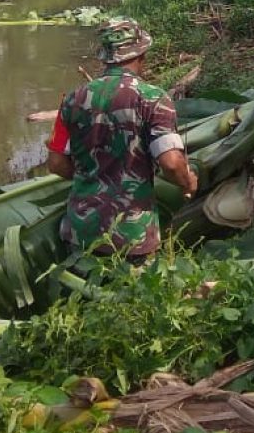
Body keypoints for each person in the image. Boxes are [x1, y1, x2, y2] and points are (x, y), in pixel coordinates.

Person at [47, 19, 198, 261]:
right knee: (134, 286)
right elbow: (171, 163)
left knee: (86, 285)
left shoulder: (73, 100)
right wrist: (187, 182)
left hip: (80, 230)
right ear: (142, 54)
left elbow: (56, 163)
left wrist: (93, 179)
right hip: (132, 234)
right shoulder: (153, 99)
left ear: (105, 58)